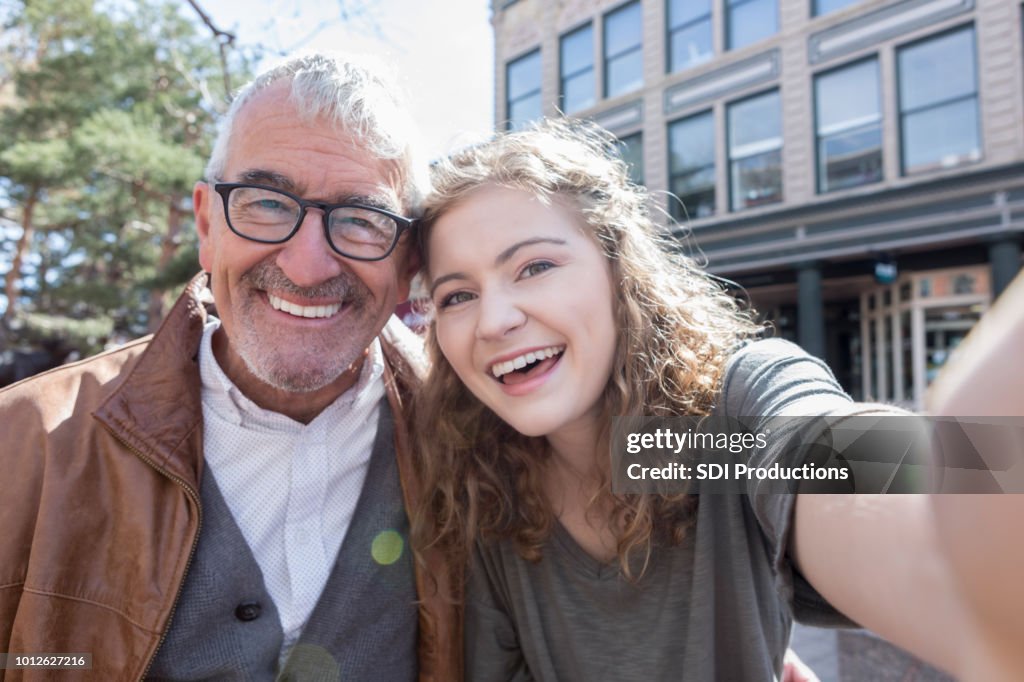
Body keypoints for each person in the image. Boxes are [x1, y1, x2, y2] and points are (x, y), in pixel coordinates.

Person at [410, 118, 1022, 681]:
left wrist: (980, 469)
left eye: (535, 266)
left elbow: (821, 456)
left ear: (617, 270)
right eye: (456, 296)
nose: (493, 319)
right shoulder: (483, 482)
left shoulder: (681, 445)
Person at [0, 53, 460, 680]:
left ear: (408, 262)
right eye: (267, 203)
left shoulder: (478, 442)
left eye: (361, 220)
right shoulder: (23, 445)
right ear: (206, 225)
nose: (306, 266)